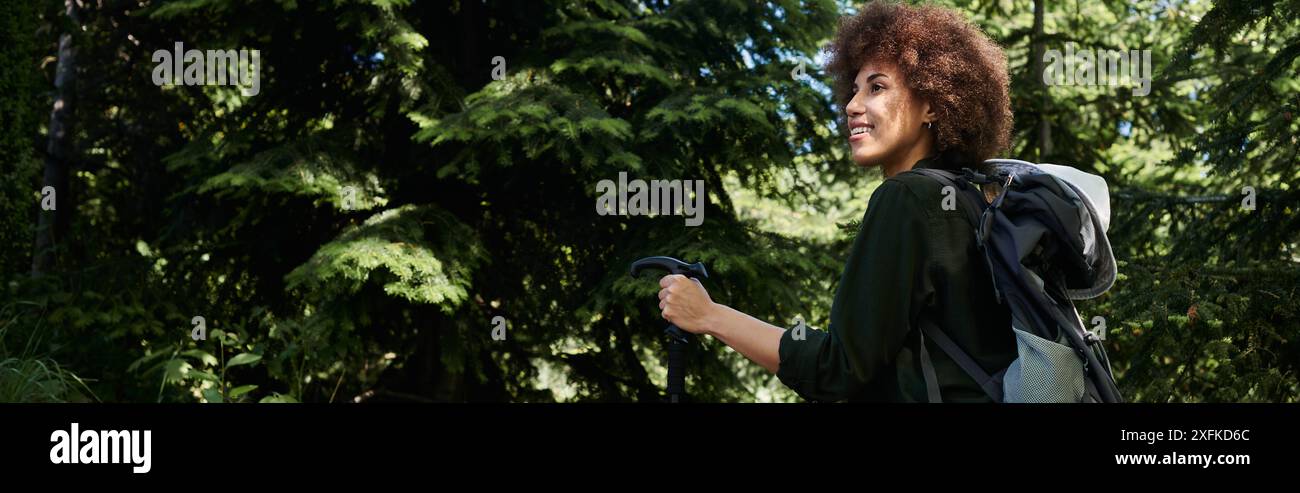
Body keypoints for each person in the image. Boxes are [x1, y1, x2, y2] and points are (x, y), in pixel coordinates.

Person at [657, 1, 1019, 402]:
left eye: (877, 87)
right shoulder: (974, 199)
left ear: (933, 105)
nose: (851, 106)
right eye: (854, 89)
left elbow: (839, 369)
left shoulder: (908, 198)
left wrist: (709, 315)